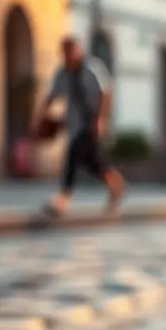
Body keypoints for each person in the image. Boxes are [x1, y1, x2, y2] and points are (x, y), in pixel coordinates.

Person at [30, 36, 125, 216]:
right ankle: (116, 184)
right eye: (65, 52)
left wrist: (101, 118)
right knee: (92, 163)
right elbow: (51, 96)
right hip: (75, 124)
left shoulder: (92, 68)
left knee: (72, 155)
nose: (68, 56)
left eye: (71, 51)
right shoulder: (62, 73)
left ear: (78, 50)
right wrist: (38, 118)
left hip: (92, 123)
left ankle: (62, 200)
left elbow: (106, 92)